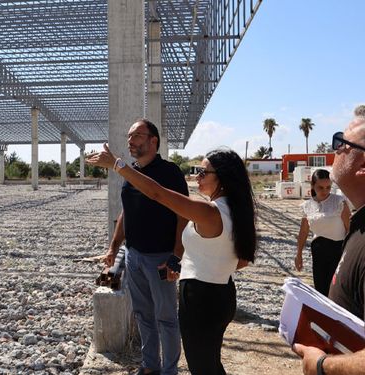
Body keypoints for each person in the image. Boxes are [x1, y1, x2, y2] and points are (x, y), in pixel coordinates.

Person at [88, 144, 256, 375]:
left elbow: (157, 193)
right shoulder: (236, 210)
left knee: (203, 367)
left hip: (200, 299)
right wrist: (193, 266)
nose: (198, 176)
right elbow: (240, 260)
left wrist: (117, 164)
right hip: (222, 293)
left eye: (204, 172)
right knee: (209, 363)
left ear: (223, 178)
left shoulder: (209, 211)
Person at [102, 119, 188, 375]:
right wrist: (114, 248)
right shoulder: (132, 173)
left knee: (166, 319)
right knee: (143, 315)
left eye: (137, 136)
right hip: (134, 256)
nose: (130, 141)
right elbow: (126, 214)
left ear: (154, 141)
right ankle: (150, 365)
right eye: (129, 136)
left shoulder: (170, 172)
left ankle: (169, 370)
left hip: (160, 257)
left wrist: (176, 256)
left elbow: (183, 215)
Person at [293, 105, 365, 374]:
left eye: (342, 143)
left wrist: (324, 366)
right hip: (320, 248)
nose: (335, 150)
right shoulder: (360, 227)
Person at [295, 168, 350, 296]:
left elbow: (349, 228)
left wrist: (349, 253)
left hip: (339, 249)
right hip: (318, 249)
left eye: (328, 187)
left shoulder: (339, 202)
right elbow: (303, 231)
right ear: (313, 186)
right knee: (320, 287)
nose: (325, 191)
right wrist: (299, 254)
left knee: (336, 288)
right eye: (320, 187)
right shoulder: (307, 206)